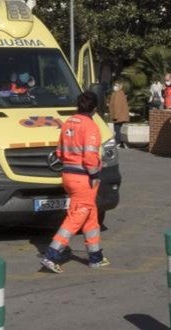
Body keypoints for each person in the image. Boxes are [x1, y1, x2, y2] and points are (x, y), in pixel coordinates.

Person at [40, 91, 108, 273]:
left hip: (68, 174)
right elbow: (90, 157)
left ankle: (96, 257)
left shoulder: (68, 122)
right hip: (83, 177)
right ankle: (52, 254)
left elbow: (60, 152)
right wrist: (94, 175)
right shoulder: (90, 126)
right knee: (77, 216)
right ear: (94, 108)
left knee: (90, 214)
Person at [107, 81, 130, 149]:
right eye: (114, 85)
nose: (114, 87)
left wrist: (115, 116)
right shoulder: (121, 93)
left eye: (116, 85)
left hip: (118, 116)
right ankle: (121, 143)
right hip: (121, 116)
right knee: (119, 130)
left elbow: (117, 106)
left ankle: (118, 143)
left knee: (117, 130)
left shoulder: (117, 94)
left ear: (119, 86)